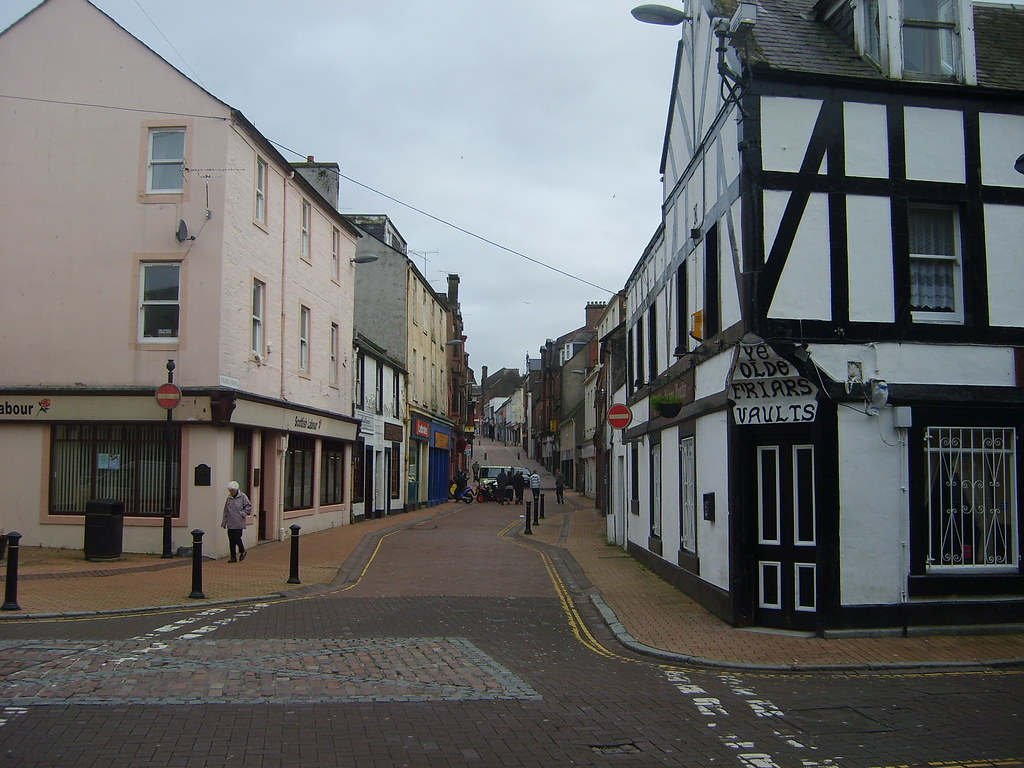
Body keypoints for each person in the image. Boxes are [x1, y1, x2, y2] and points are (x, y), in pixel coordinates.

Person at [221, 480, 252, 562]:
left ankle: (242, 550)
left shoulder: (243, 496)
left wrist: (243, 513)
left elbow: (248, 506)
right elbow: (226, 510)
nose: (231, 492)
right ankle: (233, 557)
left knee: (237, 538)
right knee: (231, 540)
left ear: (236, 490)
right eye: (230, 490)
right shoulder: (229, 498)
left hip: (239, 522)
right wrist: (224, 522)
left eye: (232, 490)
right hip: (230, 522)